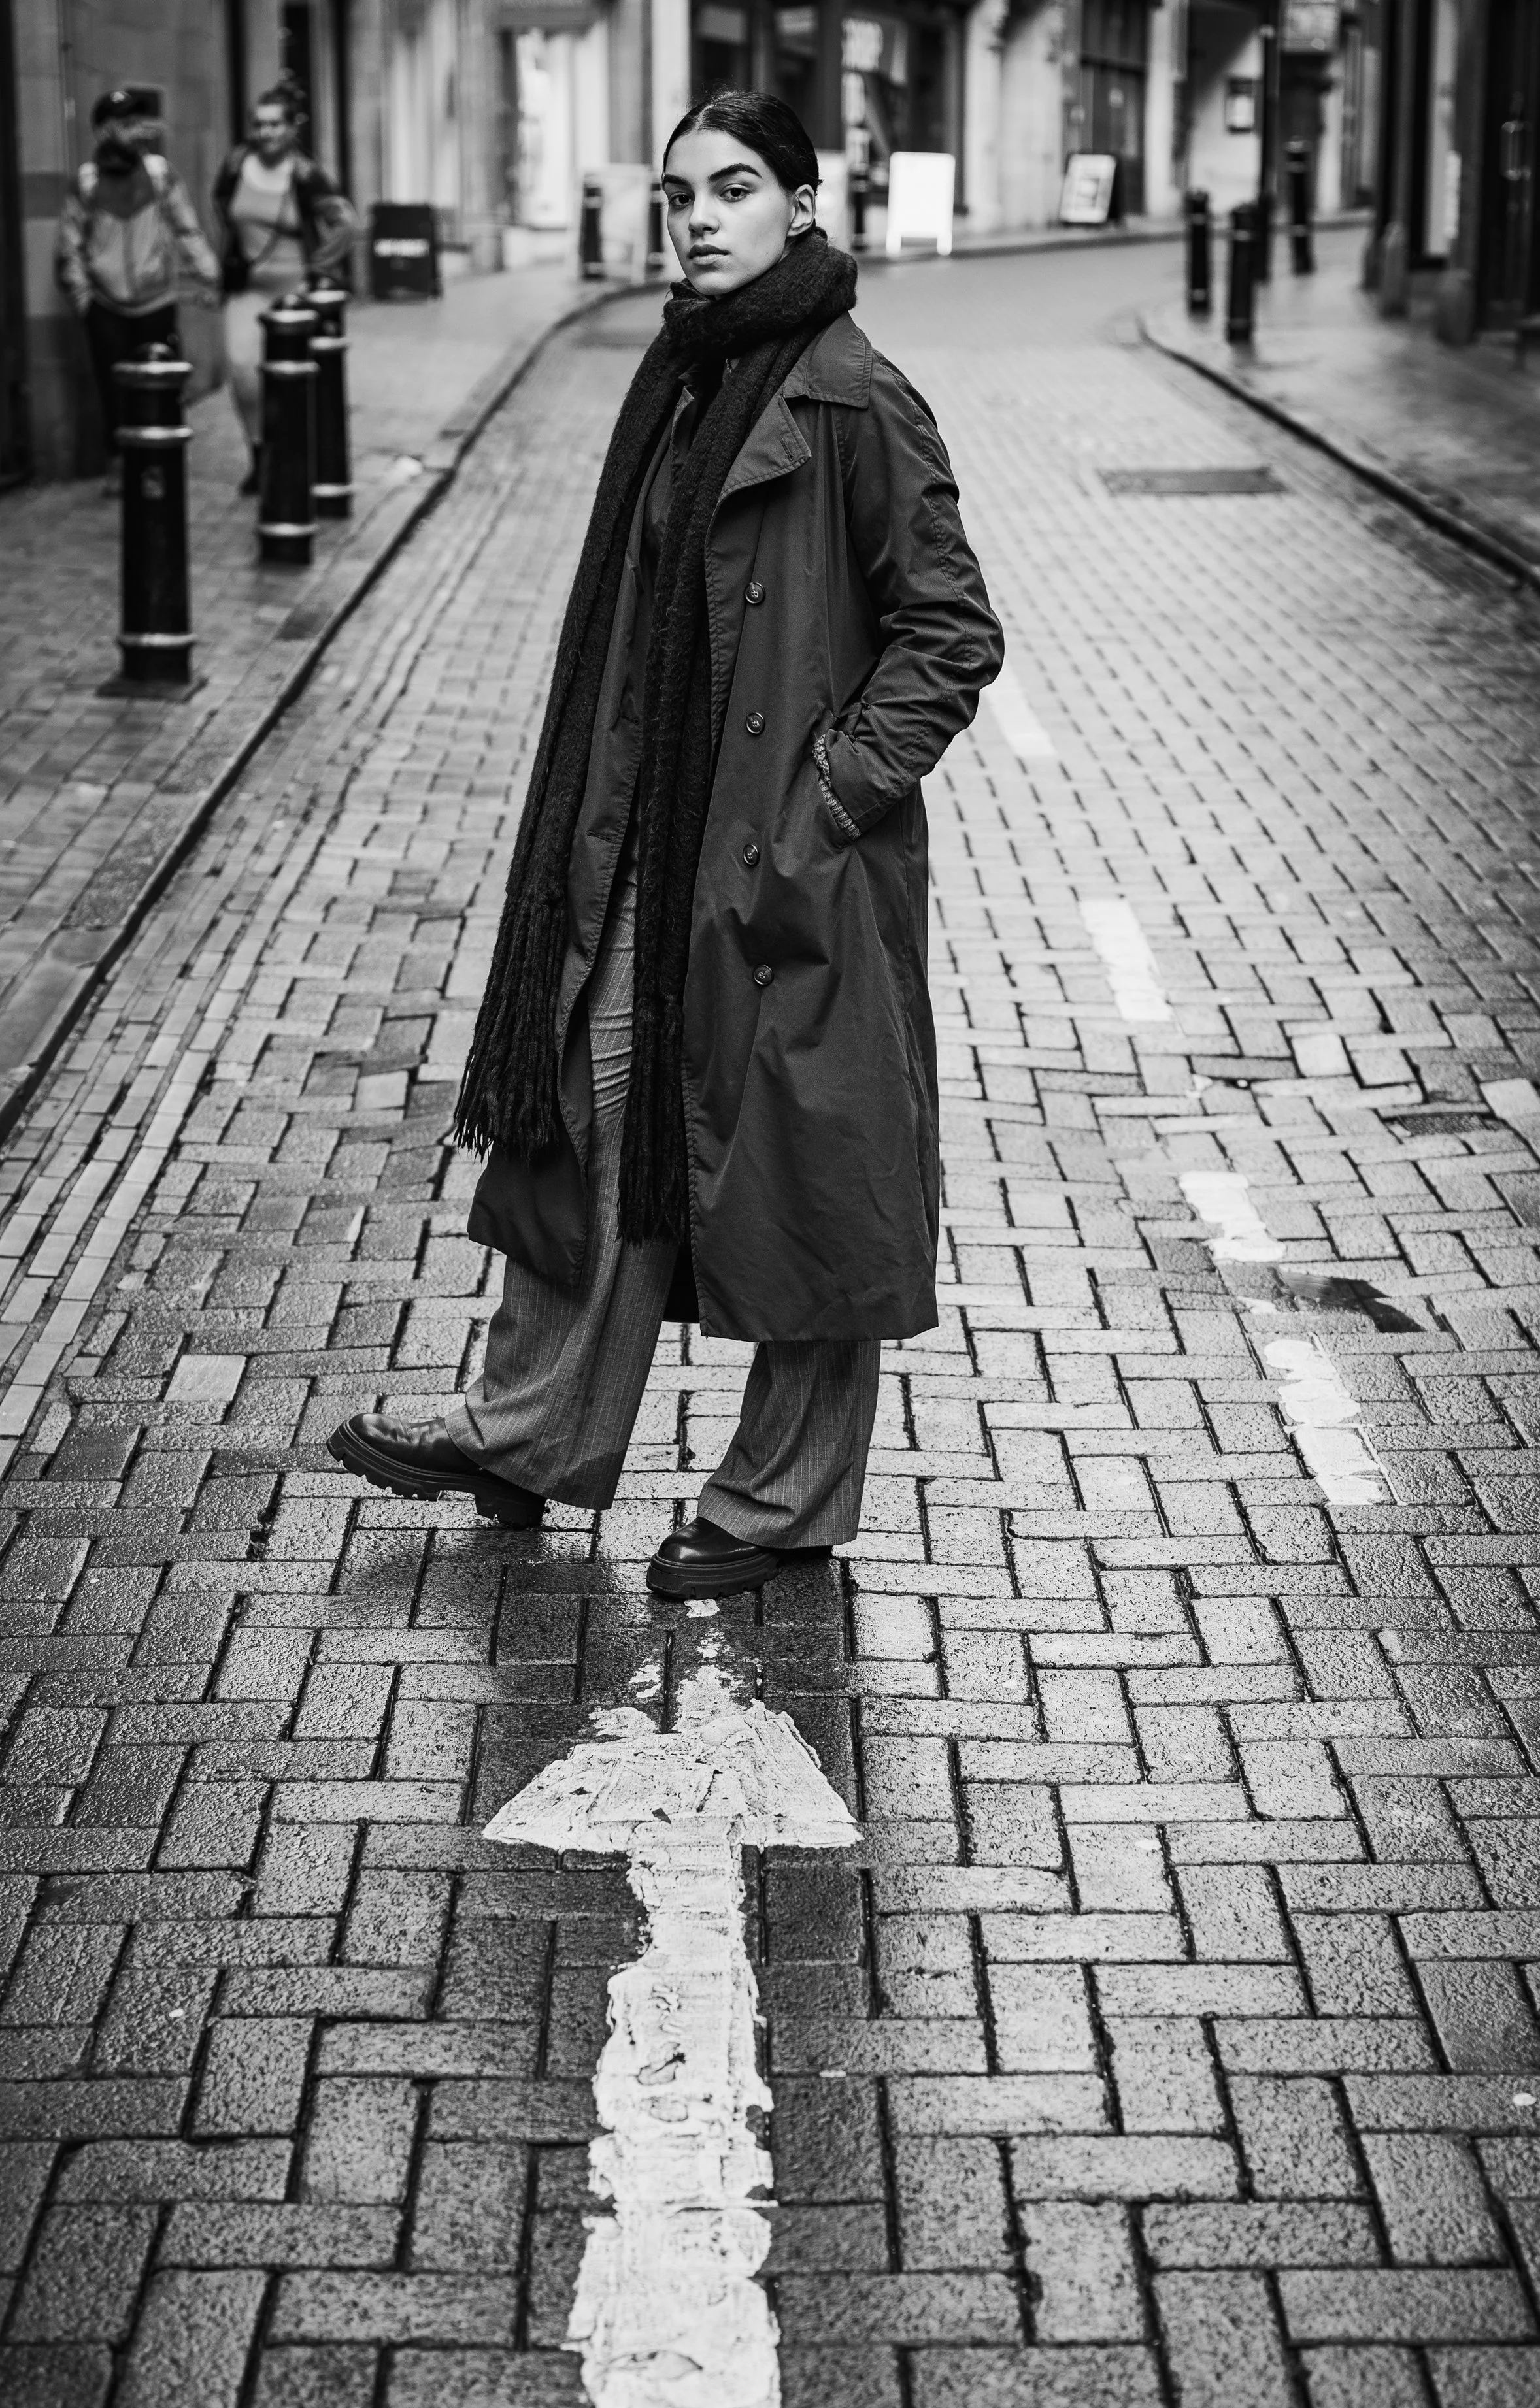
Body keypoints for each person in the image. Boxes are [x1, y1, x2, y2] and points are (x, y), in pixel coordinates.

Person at [329, 90, 1004, 1600]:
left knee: (813, 1169)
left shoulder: (852, 394)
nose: (698, 216)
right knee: (590, 1110)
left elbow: (949, 638)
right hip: (649, 845)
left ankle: (782, 1502)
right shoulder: (686, 381)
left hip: (782, 867)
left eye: (735, 187)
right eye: (679, 192)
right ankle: (525, 1427)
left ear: (803, 209)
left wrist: (826, 804)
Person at [56, 88, 219, 487]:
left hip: (155, 301)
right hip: (106, 305)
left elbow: (186, 228)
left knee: (160, 385)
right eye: (126, 125)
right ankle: (120, 466)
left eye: (137, 124)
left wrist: (211, 275)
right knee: (113, 388)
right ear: (104, 131)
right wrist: (85, 301)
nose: (137, 133)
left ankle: (161, 464)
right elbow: (70, 244)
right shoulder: (88, 182)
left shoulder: (161, 174)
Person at [212, 86, 356, 495]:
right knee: (242, 371)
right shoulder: (237, 164)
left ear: (292, 128)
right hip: (249, 290)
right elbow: (222, 204)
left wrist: (319, 267)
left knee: (294, 382)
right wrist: (236, 254)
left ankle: (293, 455)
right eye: (259, 124)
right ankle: (261, 455)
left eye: (275, 124)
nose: (266, 132)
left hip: (295, 295)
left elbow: (346, 223)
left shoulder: (307, 176)